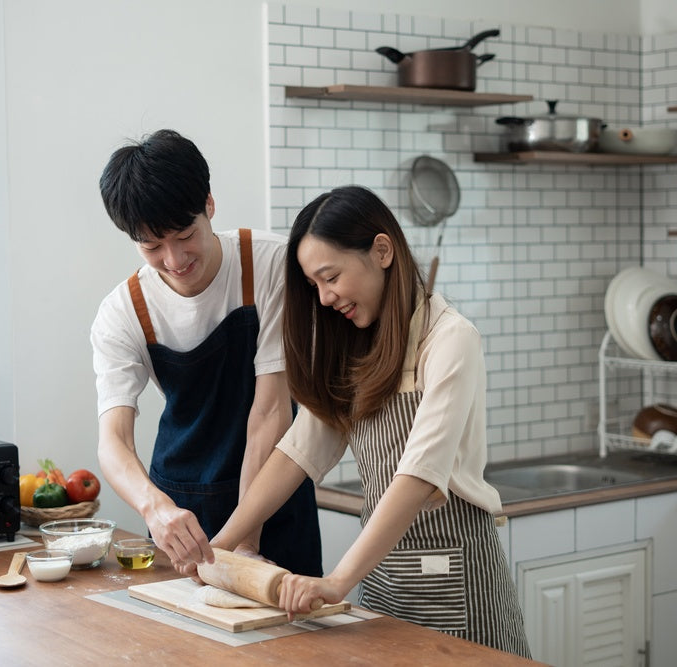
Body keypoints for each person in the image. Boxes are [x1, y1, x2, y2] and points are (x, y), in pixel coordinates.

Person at [205, 185, 530, 656]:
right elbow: (297, 453)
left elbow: (419, 476)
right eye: (314, 285)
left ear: (381, 250)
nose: (323, 297)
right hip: (381, 579)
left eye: (330, 276)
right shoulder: (354, 348)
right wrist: (222, 542)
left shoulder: (450, 339)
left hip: (456, 582)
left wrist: (337, 580)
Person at [90, 129, 322, 576]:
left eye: (184, 235)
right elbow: (112, 441)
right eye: (152, 246)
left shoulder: (271, 265)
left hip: (274, 501)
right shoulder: (123, 311)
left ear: (209, 205)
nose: (174, 260)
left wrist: (245, 540)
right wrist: (155, 508)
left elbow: (271, 411)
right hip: (182, 511)